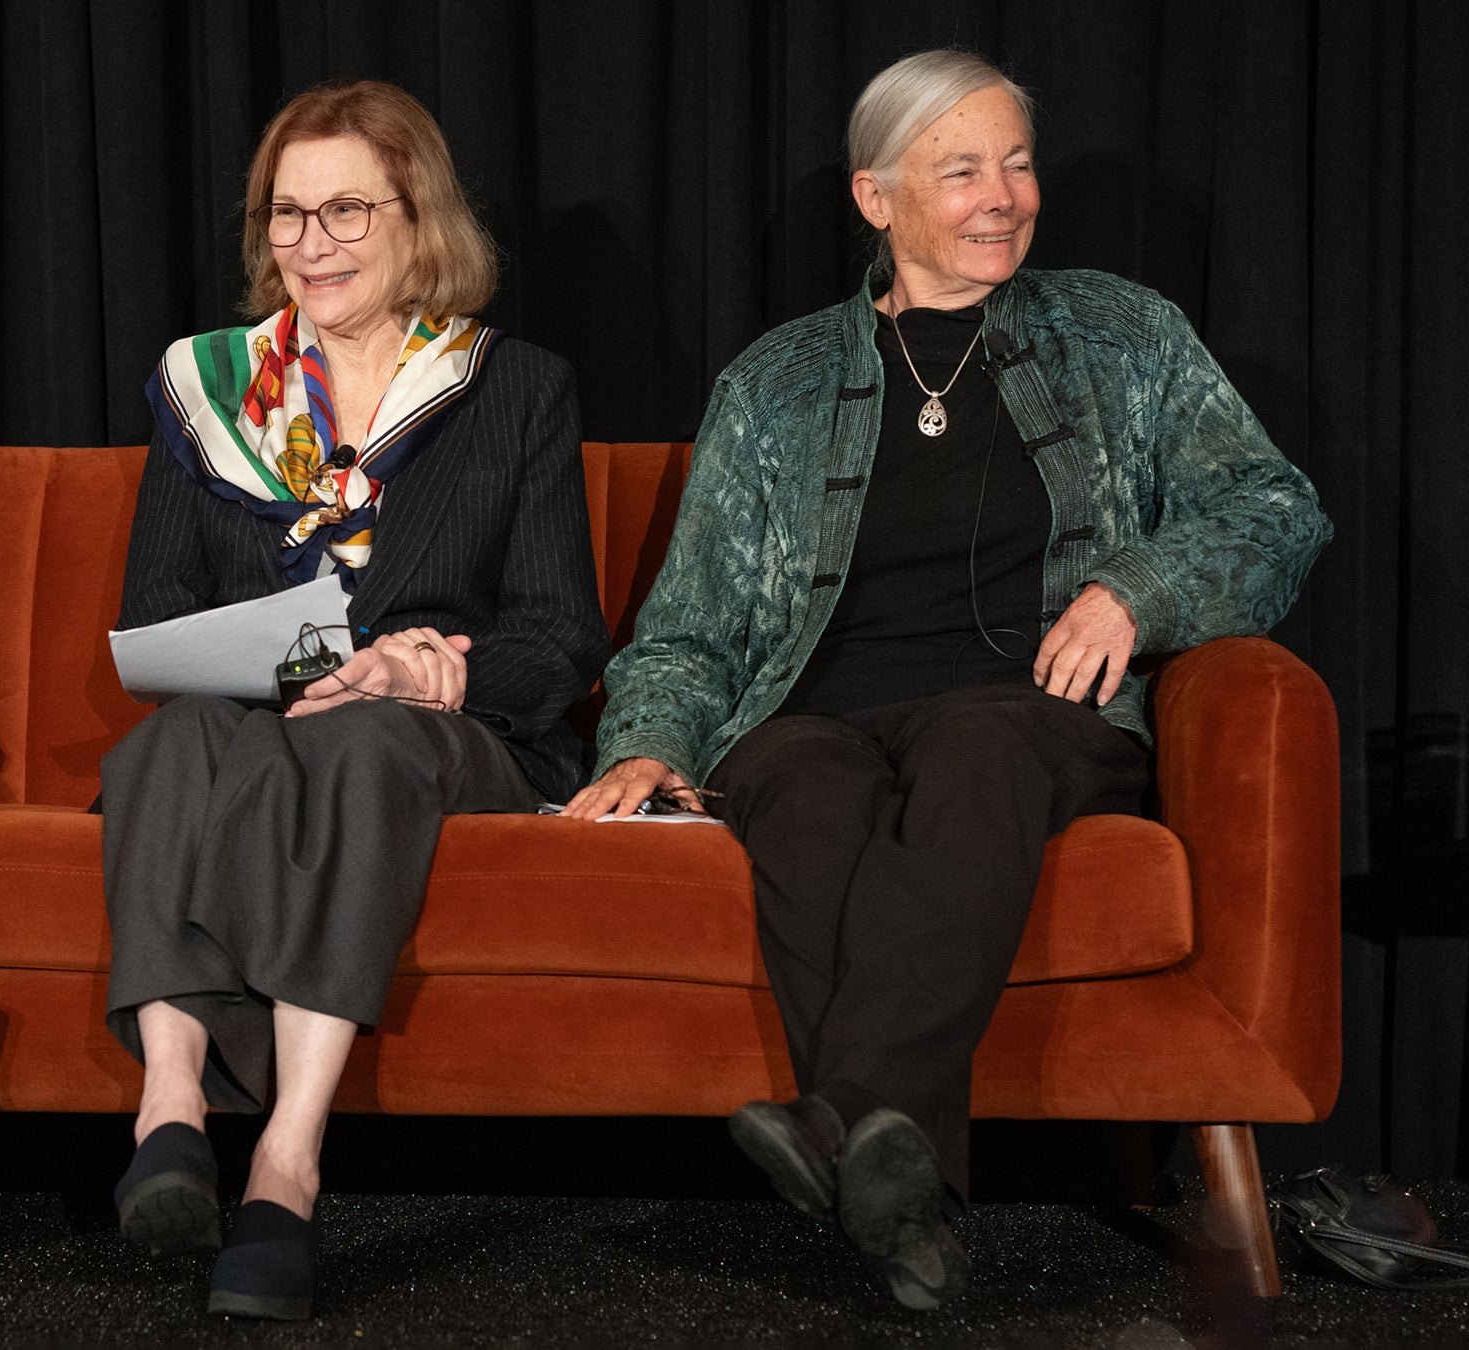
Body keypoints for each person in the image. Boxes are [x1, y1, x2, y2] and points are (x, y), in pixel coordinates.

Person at [567, 49, 1330, 1310]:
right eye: (962, 168)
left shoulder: (1120, 333)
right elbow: (690, 627)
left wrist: (1136, 590)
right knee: (801, 794)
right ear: (877, 199)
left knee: (978, 753)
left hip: (1029, 707)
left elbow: (1273, 508)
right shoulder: (778, 383)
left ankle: (837, 1122)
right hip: (814, 712)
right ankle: (912, 1220)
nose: (1002, 195)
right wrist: (646, 745)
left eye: (1017, 164)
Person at [100, 80, 609, 1321]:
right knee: (168, 747)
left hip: (452, 738)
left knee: (369, 741)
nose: (311, 245)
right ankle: (169, 1110)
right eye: (287, 215)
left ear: (417, 217)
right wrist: (302, 663)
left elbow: (561, 639)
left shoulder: (514, 388)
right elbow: (159, 611)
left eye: (345, 212)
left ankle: (286, 1163)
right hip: (261, 718)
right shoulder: (207, 388)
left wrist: (438, 667)